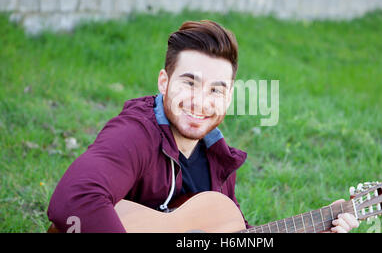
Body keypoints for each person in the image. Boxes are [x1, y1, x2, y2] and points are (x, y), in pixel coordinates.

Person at [47, 20, 359, 233]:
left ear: (229, 96)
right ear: (164, 82)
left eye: (216, 90)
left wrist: (318, 225)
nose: (200, 102)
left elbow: (231, 232)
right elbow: (74, 199)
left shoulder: (217, 158)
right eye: (189, 82)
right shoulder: (135, 134)